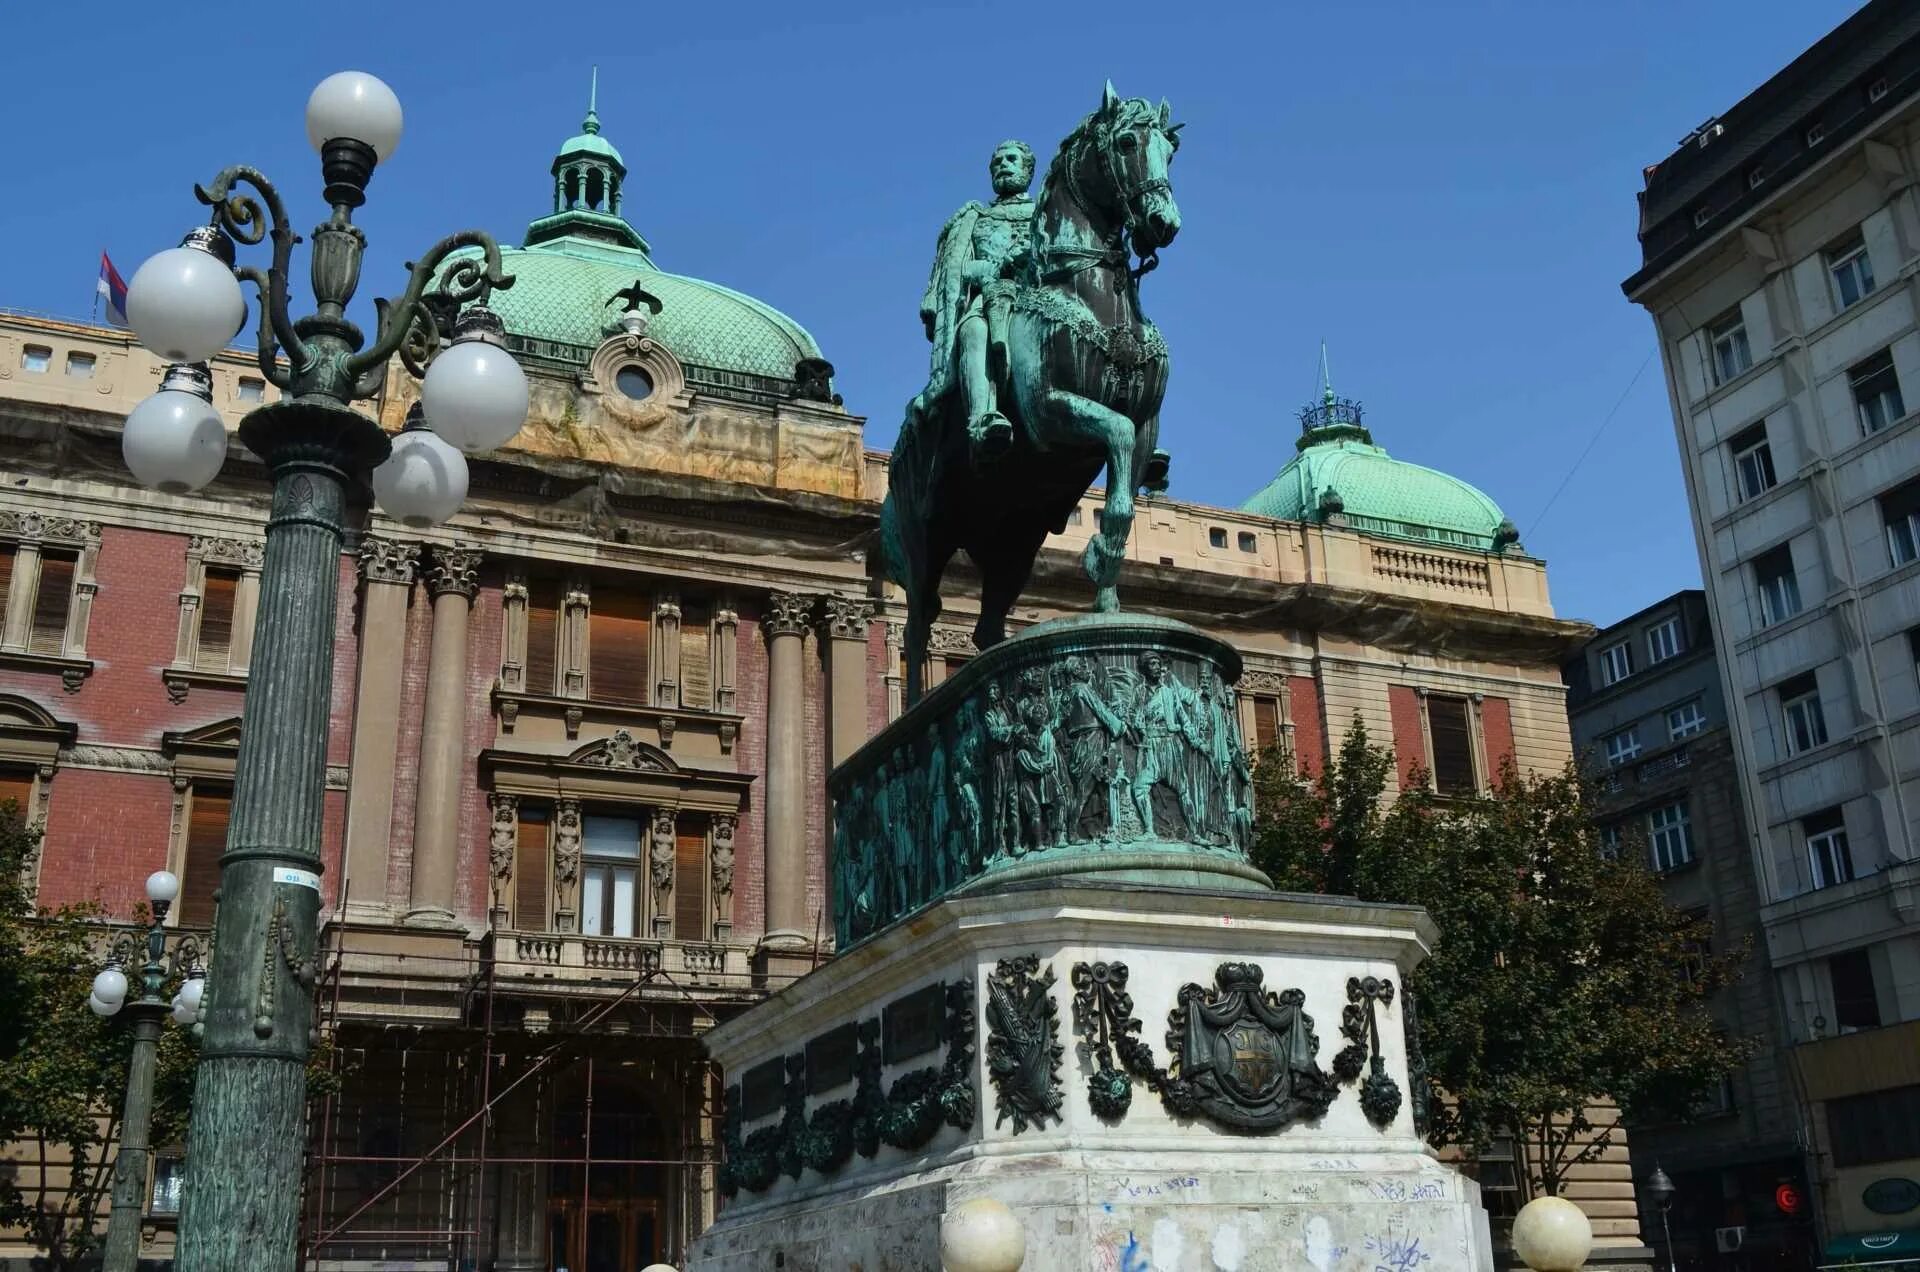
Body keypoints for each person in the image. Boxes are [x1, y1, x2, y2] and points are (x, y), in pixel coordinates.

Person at [907, 140, 1036, 467]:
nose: (1003, 165)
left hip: (1040, 297)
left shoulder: (1046, 212)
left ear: (1028, 169)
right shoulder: (975, 218)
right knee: (973, 331)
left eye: (1011, 159)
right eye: (997, 162)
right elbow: (953, 270)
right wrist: (983, 270)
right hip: (989, 297)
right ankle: (982, 418)